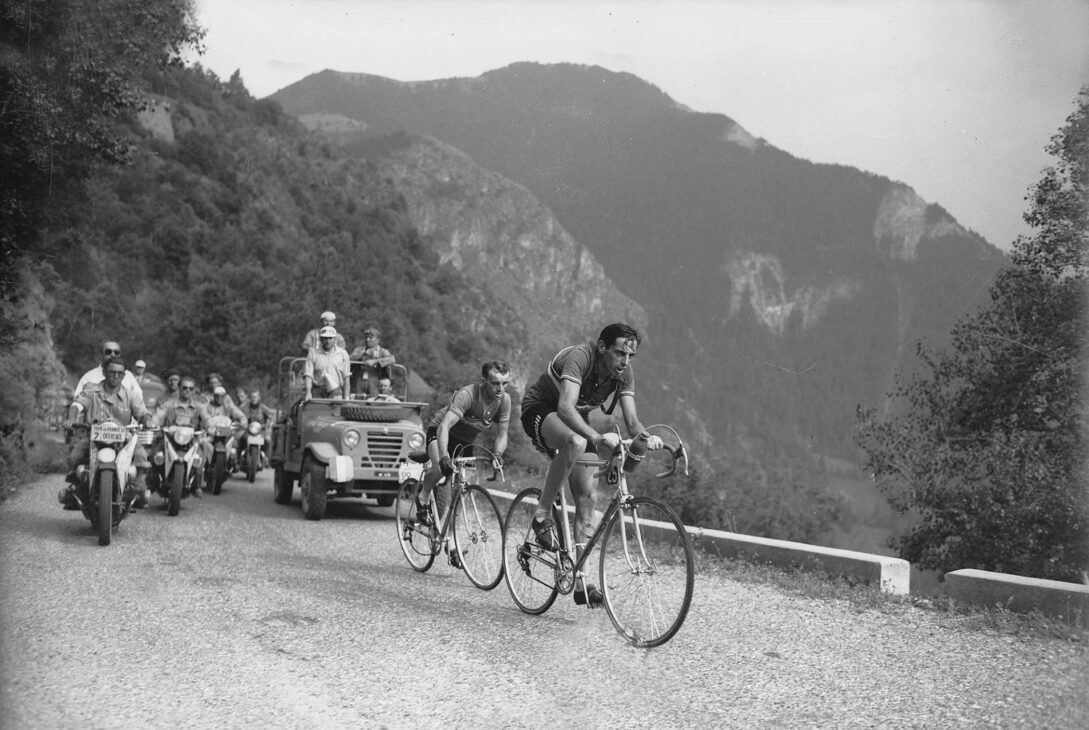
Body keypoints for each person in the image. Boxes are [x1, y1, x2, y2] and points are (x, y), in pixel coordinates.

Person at [519, 323, 663, 606]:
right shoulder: (579, 358)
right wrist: (596, 436)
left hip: (575, 420)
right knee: (575, 442)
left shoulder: (624, 374)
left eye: (630, 356)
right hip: (540, 410)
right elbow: (564, 407)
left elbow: (632, 423)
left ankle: (581, 583)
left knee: (587, 499)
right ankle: (541, 514)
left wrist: (649, 437)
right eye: (620, 353)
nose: (625, 361)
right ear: (601, 347)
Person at [415, 361, 511, 565]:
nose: (500, 389)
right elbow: (444, 427)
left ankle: (451, 544)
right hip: (441, 432)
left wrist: (498, 455)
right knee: (441, 471)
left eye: (505, 384)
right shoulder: (468, 395)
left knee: (459, 493)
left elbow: (502, 435)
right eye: (495, 383)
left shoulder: (503, 401)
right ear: (483, 381)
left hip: (466, 442)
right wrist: (443, 458)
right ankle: (423, 497)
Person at [59, 356, 153, 509]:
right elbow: (77, 404)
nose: (115, 376)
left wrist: (147, 420)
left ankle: (137, 491)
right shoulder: (91, 390)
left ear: (124, 375)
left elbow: (142, 411)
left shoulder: (130, 395)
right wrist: (71, 418)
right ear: (104, 372)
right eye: (112, 372)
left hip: (124, 439)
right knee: (74, 456)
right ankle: (76, 489)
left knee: (142, 455)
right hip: (93, 437)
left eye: (119, 373)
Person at [152, 375, 211, 498]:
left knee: (200, 454)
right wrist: (154, 423)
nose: (188, 391)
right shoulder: (169, 404)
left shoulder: (199, 406)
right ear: (179, 389)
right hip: (169, 438)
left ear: (194, 390)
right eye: (185, 388)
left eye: (191, 388)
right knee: (156, 452)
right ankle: (153, 480)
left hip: (191, 440)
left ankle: (197, 483)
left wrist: (210, 426)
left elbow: (207, 418)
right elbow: (158, 416)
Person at [73, 340, 144, 409]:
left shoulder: (128, 376)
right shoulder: (89, 377)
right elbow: (77, 402)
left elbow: (138, 400)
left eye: (116, 352)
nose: (113, 355)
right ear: (101, 354)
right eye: (108, 352)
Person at [303, 326, 351, 400]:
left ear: (335, 339)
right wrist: (308, 392)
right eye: (325, 338)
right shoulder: (313, 354)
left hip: (336, 391)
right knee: (309, 408)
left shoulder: (343, 354)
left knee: (336, 411)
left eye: (330, 338)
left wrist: (346, 397)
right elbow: (308, 375)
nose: (327, 341)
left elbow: (346, 378)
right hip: (318, 390)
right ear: (321, 339)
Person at [349, 327, 396, 395]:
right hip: (359, 381)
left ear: (377, 340)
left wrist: (376, 361)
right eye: (366, 337)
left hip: (375, 383)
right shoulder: (359, 350)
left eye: (370, 338)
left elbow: (392, 360)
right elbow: (350, 359)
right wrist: (363, 353)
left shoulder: (382, 351)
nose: (367, 339)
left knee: (374, 401)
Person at [240, 388, 276, 465]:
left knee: (267, 440)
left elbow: (271, 415)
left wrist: (270, 421)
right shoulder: (244, 407)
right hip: (247, 431)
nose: (254, 399)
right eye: (252, 397)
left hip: (260, 432)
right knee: (239, 439)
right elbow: (238, 413)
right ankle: (237, 457)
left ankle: (265, 457)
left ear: (259, 398)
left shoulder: (262, 407)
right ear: (250, 398)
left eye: (255, 397)